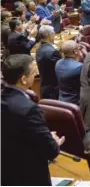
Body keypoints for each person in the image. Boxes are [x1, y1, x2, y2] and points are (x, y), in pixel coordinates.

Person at [1, 54, 65, 186]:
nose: (35, 74)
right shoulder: (29, 109)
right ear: (23, 79)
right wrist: (53, 141)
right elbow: (50, 151)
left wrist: (44, 135)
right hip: (30, 176)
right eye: (33, 73)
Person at [36, 25, 61, 100]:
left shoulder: (39, 48)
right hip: (54, 90)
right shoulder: (53, 52)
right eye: (53, 33)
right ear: (50, 35)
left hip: (44, 87)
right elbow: (60, 68)